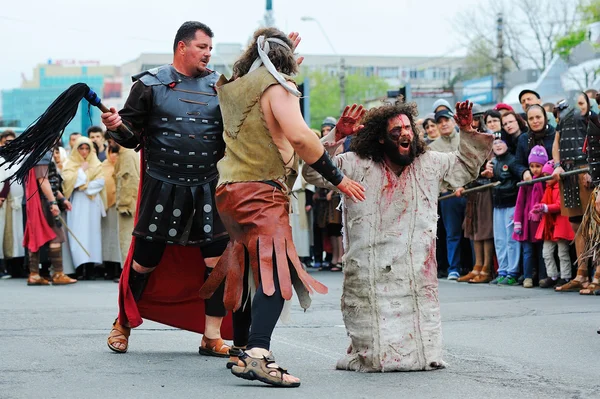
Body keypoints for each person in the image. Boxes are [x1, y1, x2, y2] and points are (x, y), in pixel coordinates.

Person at [199, 27, 364, 387]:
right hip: (262, 192)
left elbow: (266, 112)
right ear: (284, 62)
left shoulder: (234, 87)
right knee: (275, 272)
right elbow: (301, 138)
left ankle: (242, 348)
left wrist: (277, 58)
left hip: (229, 191)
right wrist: (339, 179)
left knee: (245, 270)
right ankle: (259, 354)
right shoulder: (278, 88)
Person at [304, 99, 492, 371]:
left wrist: (467, 129)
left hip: (417, 271)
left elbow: (465, 166)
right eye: (396, 130)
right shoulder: (356, 164)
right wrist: (337, 136)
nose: (405, 133)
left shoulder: (430, 163)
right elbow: (312, 170)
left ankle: (422, 353)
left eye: (408, 128)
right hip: (370, 272)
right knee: (375, 357)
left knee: (424, 355)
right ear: (380, 138)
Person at [101, 21, 235, 355]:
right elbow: (131, 138)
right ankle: (123, 324)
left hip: (208, 187)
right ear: (182, 47)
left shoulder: (221, 86)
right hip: (162, 187)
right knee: (144, 263)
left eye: (210, 49)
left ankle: (211, 336)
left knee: (217, 264)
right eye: (202, 47)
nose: (208, 54)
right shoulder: (149, 85)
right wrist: (117, 127)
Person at [552, 94, 595, 293]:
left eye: (581, 102)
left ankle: (598, 276)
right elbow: (557, 141)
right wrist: (558, 165)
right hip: (568, 174)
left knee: (595, 225)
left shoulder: (594, 117)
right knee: (577, 226)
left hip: (586, 171)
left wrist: (593, 170)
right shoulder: (563, 116)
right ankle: (582, 274)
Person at [22, 149, 77, 286]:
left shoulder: (36, 154)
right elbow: (43, 181)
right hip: (43, 202)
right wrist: (53, 202)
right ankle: (57, 274)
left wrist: (62, 199)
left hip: (40, 201)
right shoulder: (41, 154)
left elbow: (51, 183)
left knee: (38, 235)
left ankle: (35, 274)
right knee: (56, 235)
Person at [482, 133, 528, 285]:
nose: (498, 145)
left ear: (507, 144)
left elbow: (519, 174)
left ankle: (513, 272)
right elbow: (482, 180)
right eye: (495, 143)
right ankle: (502, 270)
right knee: (500, 239)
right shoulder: (492, 162)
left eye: (501, 142)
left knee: (511, 239)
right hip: (497, 205)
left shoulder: (512, 160)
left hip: (511, 204)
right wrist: (485, 175)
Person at [429, 108, 466, 280]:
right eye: (440, 122)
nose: (444, 124)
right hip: (448, 195)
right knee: (452, 233)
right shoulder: (433, 147)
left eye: (446, 120)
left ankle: (473, 266)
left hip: (470, 191)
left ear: (454, 121)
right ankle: (454, 267)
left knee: (473, 233)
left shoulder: (464, 140)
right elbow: (432, 173)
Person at [62, 137, 106, 278]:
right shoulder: (70, 163)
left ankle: (91, 268)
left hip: (92, 203)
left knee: (92, 234)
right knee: (78, 233)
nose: (84, 151)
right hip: (78, 204)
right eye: (81, 148)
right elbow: (68, 182)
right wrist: (81, 170)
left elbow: (100, 182)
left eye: (87, 148)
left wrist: (84, 185)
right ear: (76, 149)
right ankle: (79, 268)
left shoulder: (96, 163)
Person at [535, 161, 574, 288]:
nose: (546, 179)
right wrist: (538, 208)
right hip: (549, 226)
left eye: (548, 175)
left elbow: (559, 204)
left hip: (560, 224)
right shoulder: (548, 189)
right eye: (544, 175)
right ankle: (552, 275)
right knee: (546, 252)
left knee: (562, 252)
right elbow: (544, 202)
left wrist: (545, 207)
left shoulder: (561, 187)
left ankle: (566, 276)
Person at [105, 136, 140, 281]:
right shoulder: (126, 154)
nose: (110, 144)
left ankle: (129, 276)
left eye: (110, 140)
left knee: (126, 240)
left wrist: (125, 203)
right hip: (129, 204)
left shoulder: (127, 155)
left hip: (128, 206)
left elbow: (129, 180)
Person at [512, 146, 547, 288]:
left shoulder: (545, 181)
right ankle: (527, 277)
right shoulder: (526, 182)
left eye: (538, 166)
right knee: (527, 251)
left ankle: (543, 277)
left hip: (540, 222)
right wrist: (517, 222)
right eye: (532, 166)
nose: (534, 169)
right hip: (527, 223)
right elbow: (519, 203)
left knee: (541, 251)